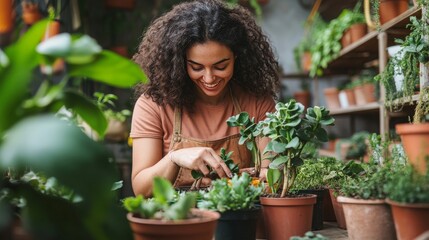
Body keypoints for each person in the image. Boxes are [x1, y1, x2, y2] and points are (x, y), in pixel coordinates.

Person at [130, 0, 280, 197]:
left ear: (236, 56)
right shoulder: (153, 105)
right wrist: (174, 159)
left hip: (240, 219)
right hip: (178, 221)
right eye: (197, 67)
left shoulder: (257, 101)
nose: (209, 78)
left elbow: (273, 179)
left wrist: (245, 182)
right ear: (180, 62)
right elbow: (141, 189)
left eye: (220, 66)